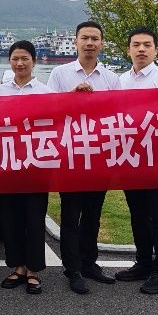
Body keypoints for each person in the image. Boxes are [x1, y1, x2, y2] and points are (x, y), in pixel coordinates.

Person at [46, 20, 121, 294]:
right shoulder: (60, 73)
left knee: (93, 214)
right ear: (76, 41)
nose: (90, 43)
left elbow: (120, 113)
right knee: (70, 214)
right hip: (70, 154)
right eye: (85, 38)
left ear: (101, 43)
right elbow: (48, 109)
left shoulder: (111, 78)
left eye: (95, 39)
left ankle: (89, 262)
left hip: (99, 155)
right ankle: (72, 268)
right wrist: (72, 96)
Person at [114, 27, 158, 294]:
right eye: (136, 45)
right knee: (138, 214)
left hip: (157, 159)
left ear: (156, 50)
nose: (141, 49)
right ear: (128, 50)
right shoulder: (120, 81)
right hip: (131, 157)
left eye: (147, 45)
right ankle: (143, 263)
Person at [0, 41, 52, 295]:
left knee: (35, 219)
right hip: (8, 164)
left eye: (25, 58)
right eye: (15, 59)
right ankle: (18, 267)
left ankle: (33, 270)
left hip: (37, 164)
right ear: (10, 62)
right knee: (11, 218)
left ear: (34, 61)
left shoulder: (45, 91)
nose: (20, 63)